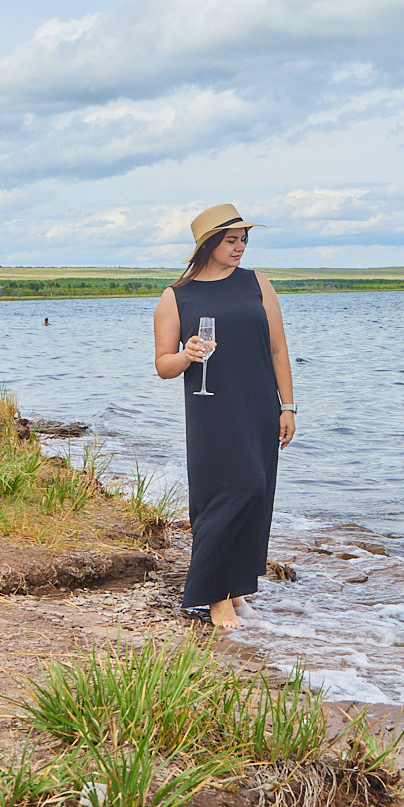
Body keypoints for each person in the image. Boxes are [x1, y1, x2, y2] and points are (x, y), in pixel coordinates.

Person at [153, 203, 296, 631]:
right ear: (209, 244)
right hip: (211, 405)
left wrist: (287, 406)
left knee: (258, 492)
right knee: (226, 493)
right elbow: (163, 364)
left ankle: (237, 588)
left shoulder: (258, 284)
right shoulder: (177, 296)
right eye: (231, 240)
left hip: (258, 403)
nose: (240, 248)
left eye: (244, 240)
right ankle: (214, 597)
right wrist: (186, 355)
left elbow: (278, 349)